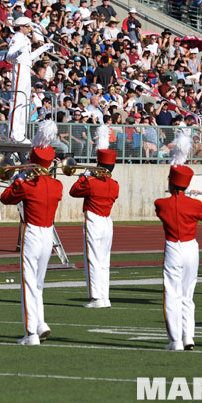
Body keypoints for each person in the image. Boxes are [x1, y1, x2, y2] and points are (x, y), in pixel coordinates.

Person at [154, 130, 202, 351]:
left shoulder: (161, 204)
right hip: (192, 248)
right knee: (188, 295)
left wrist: (179, 188)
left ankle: (175, 340)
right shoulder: (194, 205)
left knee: (171, 295)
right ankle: (189, 337)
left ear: (172, 183)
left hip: (174, 247)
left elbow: (169, 199)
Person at [0, 121, 63, 345]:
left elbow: (5, 198)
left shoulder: (27, 185)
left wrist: (18, 178)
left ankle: (31, 333)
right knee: (38, 284)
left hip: (33, 234)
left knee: (28, 283)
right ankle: (40, 323)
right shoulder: (56, 186)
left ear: (34, 161)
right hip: (48, 236)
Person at [69, 125, 119, 308]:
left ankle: (96, 298)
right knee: (104, 260)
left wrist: (84, 176)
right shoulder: (114, 184)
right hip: (107, 221)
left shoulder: (91, 182)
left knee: (93, 259)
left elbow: (73, 191)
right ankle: (104, 296)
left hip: (93, 220)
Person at [6, 17, 51, 142]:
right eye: (27, 27)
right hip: (19, 68)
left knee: (25, 102)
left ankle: (21, 133)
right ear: (21, 27)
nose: (29, 29)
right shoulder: (17, 37)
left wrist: (43, 48)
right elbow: (9, 56)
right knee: (17, 101)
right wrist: (18, 52)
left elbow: (29, 57)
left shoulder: (26, 39)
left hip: (26, 68)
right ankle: (13, 133)